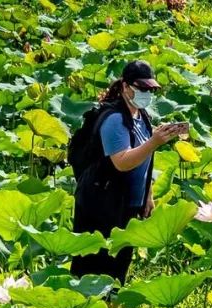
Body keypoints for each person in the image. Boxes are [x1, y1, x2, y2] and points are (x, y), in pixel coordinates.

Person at [70, 60, 188, 283]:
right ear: (125, 86)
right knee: (93, 272)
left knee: (117, 271)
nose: (146, 94)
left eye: (150, 90)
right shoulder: (115, 119)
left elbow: (144, 161)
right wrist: (154, 142)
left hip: (125, 206)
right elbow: (122, 162)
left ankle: (111, 301)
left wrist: (147, 195)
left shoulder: (141, 116)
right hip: (101, 204)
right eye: (141, 88)